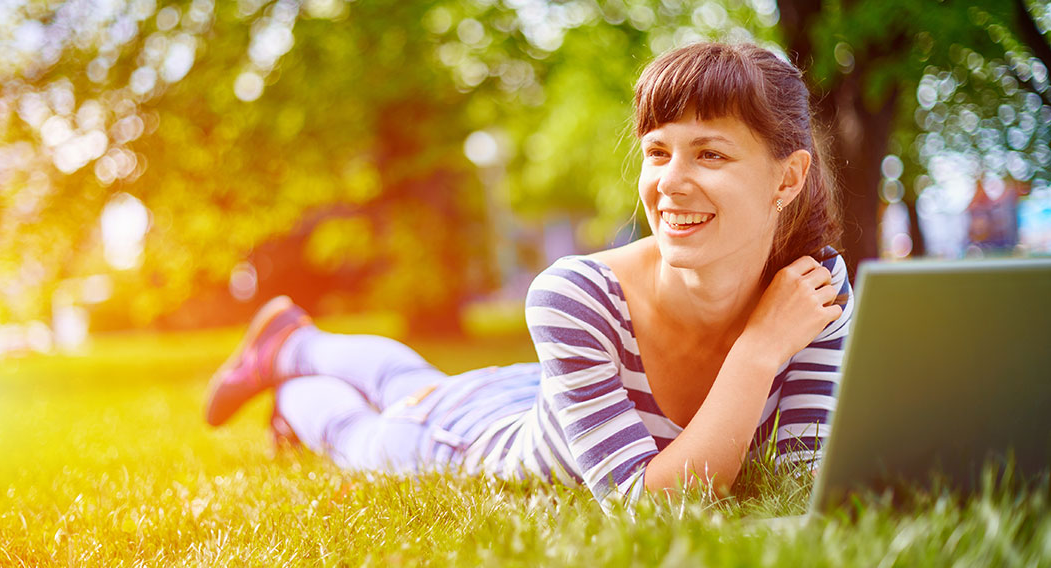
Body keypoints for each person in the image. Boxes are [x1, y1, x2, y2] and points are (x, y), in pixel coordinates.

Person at [205, 41, 853, 512]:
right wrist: (759, 349)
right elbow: (647, 504)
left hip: (543, 398)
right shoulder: (575, 295)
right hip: (462, 437)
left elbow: (800, 473)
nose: (670, 182)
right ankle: (292, 376)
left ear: (787, 178)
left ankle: (291, 341)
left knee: (412, 380)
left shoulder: (812, 286)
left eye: (710, 153)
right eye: (657, 151)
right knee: (369, 428)